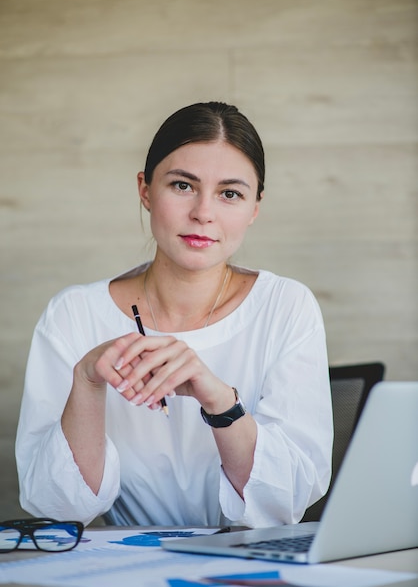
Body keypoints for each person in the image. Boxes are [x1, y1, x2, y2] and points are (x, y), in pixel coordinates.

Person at [16, 101, 333, 528]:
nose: (204, 212)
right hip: (128, 566)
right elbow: (61, 509)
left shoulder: (286, 306)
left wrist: (220, 401)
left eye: (230, 194)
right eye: (183, 186)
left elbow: (285, 503)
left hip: (250, 568)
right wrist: (88, 380)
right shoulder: (73, 315)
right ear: (145, 190)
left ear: (254, 208)